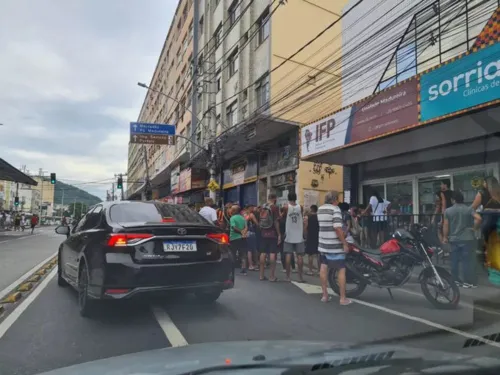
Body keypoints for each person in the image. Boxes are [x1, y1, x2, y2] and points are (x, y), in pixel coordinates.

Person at [318, 191, 351, 305]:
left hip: (323, 244)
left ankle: (325, 296)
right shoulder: (335, 209)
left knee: (323, 268)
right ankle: (342, 298)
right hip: (335, 245)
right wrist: (344, 243)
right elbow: (338, 228)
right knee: (341, 270)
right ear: (335, 199)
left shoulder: (320, 209)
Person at [443, 191, 480, 288]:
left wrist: (445, 237)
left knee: (454, 261)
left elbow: (446, 225)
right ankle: (468, 282)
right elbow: (478, 218)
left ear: (453, 200)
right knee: (467, 261)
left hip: (454, 239)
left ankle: (456, 280)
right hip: (467, 238)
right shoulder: (468, 209)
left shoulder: (448, 211)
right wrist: (474, 228)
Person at [283, 192, 305, 283]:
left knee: (288, 254)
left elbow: (283, 217)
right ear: (295, 198)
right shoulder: (301, 207)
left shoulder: (286, 207)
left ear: (288, 198)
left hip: (289, 234)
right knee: (300, 256)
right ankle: (300, 276)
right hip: (299, 234)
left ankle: (288, 276)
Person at [258, 193, 281, 282]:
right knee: (272, 254)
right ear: (274, 198)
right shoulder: (274, 207)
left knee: (263, 253)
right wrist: (279, 234)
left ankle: (261, 275)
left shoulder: (263, 206)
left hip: (263, 232)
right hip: (272, 233)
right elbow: (276, 222)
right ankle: (272, 276)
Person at [229, 205, 248, 275]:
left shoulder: (232, 218)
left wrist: (240, 232)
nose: (230, 210)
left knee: (232, 253)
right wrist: (243, 232)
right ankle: (244, 268)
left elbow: (233, 227)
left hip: (234, 238)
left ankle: (232, 268)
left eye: (231, 209)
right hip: (243, 238)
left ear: (234, 211)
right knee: (243, 253)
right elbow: (246, 227)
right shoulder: (243, 218)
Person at [304, 205, 320, 275]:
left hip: (310, 236)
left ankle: (310, 270)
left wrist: (305, 234)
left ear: (311, 209)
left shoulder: (308, 217)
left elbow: (306, 226)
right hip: (318, 236)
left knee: (310, 254)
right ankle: (319, 271)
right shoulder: (319, 217)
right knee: (318, 255)